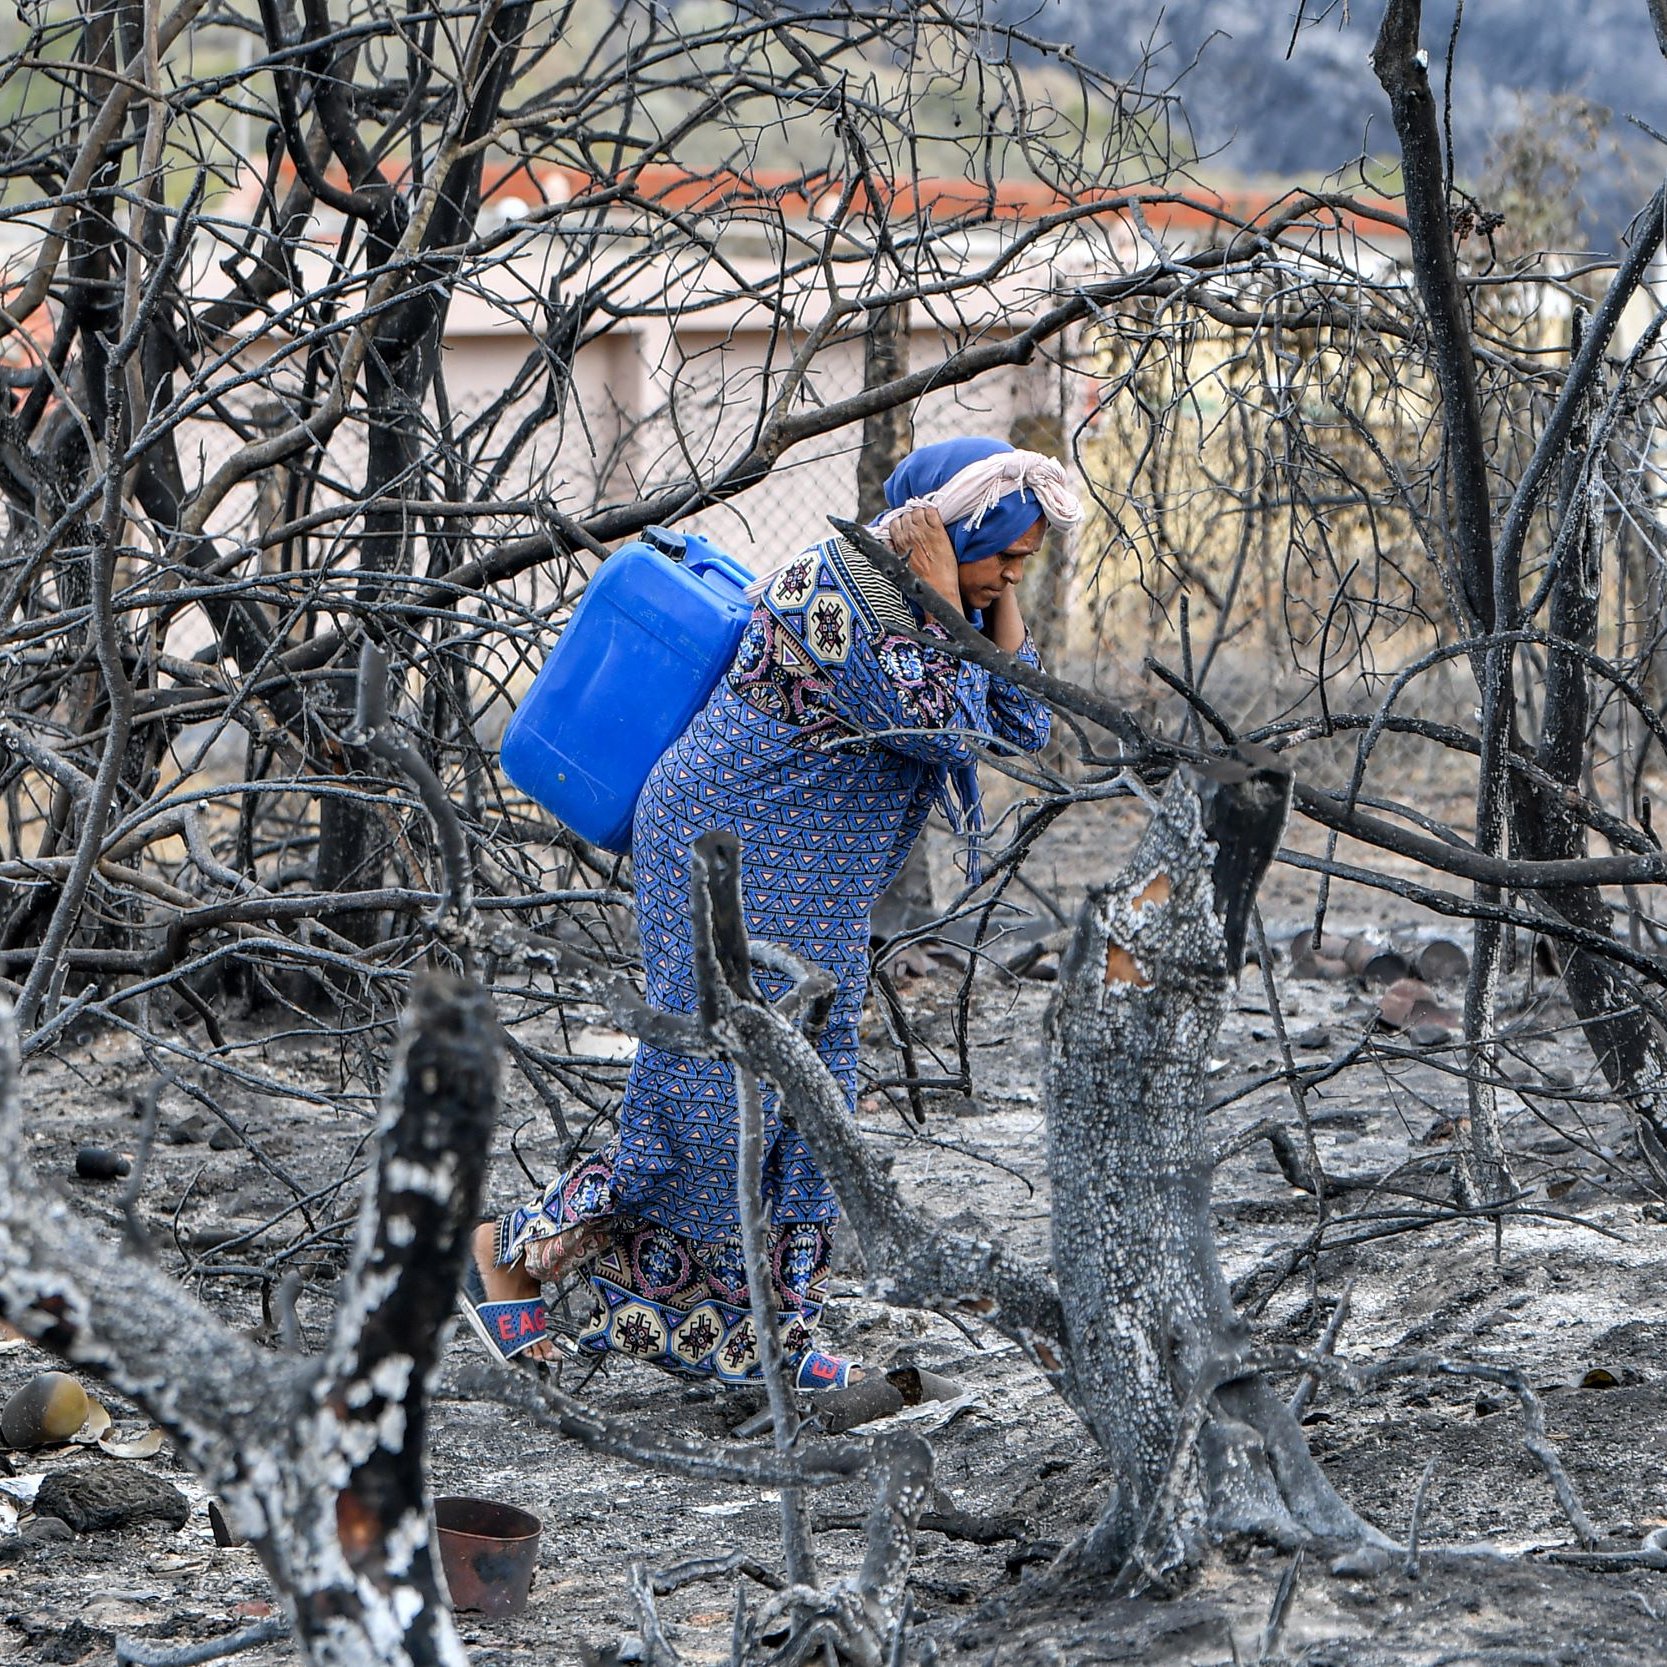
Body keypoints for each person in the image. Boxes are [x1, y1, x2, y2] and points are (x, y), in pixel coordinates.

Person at [462, 436, 1081, 1386]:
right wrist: (947, 593)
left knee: (804, 1109)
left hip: (810, 884)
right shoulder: (844, 589)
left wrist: (983, 598)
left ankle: (763, 1340)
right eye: (1002, 554)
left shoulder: (923, 600)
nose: (1011, 575)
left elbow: (1022, 719)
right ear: (948, 531)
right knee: (708, 1098)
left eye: (1022, 563)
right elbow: (944, 725)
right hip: (723, 853)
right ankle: (508, 1246)